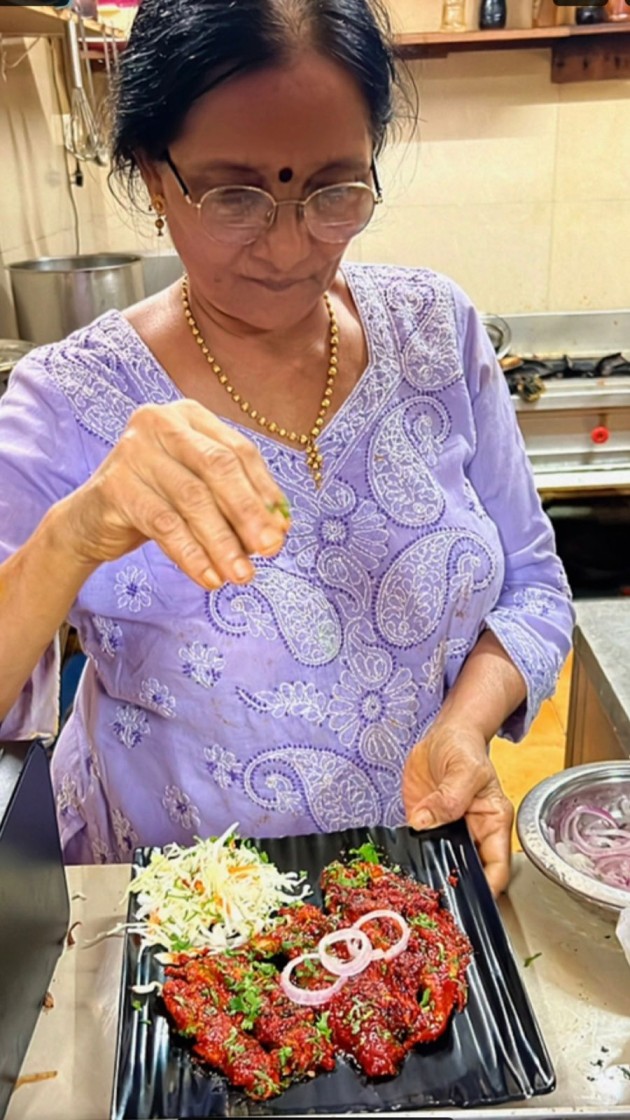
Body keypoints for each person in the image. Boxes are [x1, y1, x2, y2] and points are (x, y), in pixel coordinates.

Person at [0, 0, 573, 894]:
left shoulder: (435, 330)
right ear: (155, 178)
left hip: (406, 884)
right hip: (175, 919)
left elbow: (535, 588)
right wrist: (77, 533)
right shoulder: (66, 398)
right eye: (236, 195)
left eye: (335, 189)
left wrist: (465, 724)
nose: (291, 244)